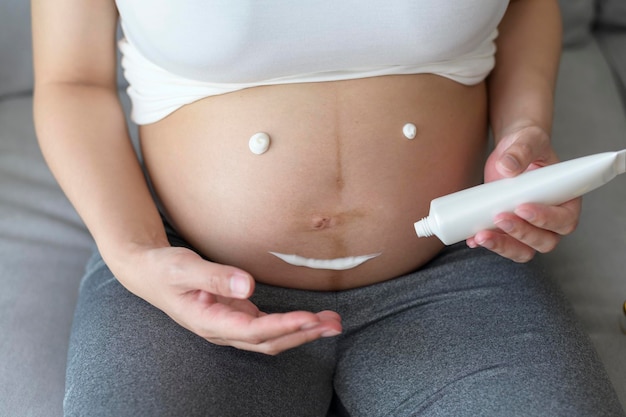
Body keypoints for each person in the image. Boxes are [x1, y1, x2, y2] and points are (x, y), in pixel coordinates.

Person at [31, 1, 625, 416]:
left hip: (456, 268)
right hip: (187, 282)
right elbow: (72, 80)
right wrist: (136, 255)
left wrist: (524, 129)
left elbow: (523, 4)